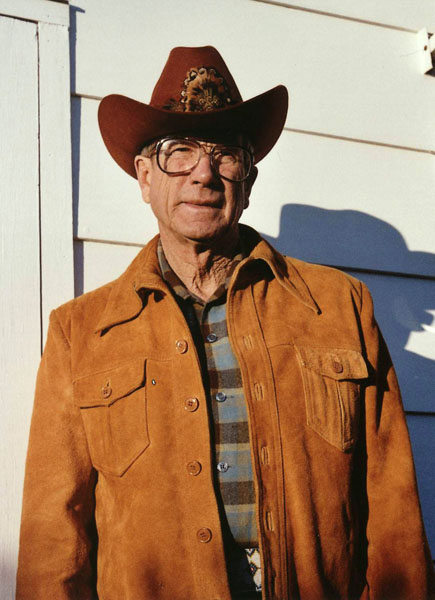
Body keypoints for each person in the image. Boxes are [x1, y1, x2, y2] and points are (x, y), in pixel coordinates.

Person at [16, 45, 434, 600]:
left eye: (225, 154)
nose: (204, 174)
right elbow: (54, 538)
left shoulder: (340, 306)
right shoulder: (80, 332)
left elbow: (392, 507)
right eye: (179, 152)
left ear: (249, 178)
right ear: (145, 177)